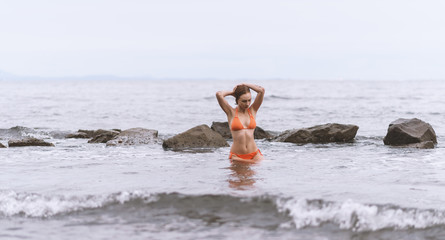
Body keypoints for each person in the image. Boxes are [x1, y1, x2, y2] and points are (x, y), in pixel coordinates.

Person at [216, 83, 265, 163]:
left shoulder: (253, 110)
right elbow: (219, 94)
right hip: (237, 156)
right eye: (244, 101)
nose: (247, 104)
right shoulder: (230, 112)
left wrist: (245, 84)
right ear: (237, 100)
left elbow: (261, 91)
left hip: (255, 155)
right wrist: (233, 93)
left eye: (249, 100)